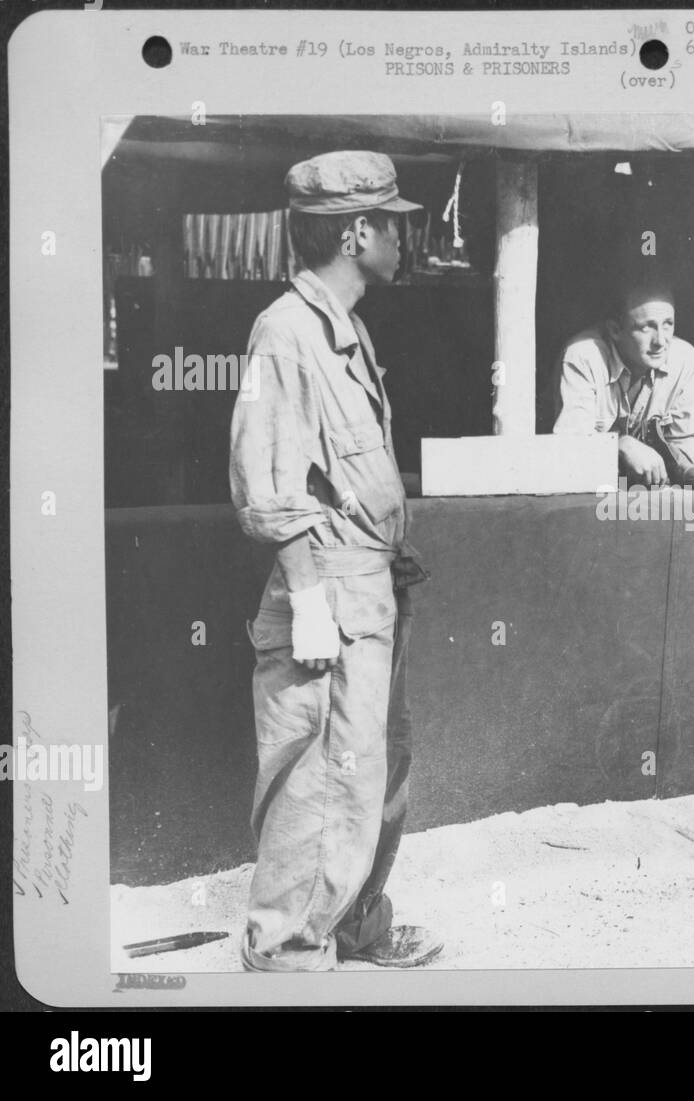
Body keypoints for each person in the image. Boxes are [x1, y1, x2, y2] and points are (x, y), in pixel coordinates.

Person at [229, 150, 442, 969]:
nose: (403, 235)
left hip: (369, 584)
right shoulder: (285, 332)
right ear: (358, 232)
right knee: (320, 779)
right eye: (393, 221)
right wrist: (312, 601)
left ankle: (353, 925)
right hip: (322, 591)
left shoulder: (345, 328)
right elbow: (266, 484)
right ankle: (285, 951)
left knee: (372, 774)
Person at [551, 279, 694, 488]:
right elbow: (568, 447)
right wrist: (620, 445)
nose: (660, 341)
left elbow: (688, 437)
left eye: (668, 324)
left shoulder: (684, 358)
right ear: (615, 330)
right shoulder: (583, 356)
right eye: (646, 328)